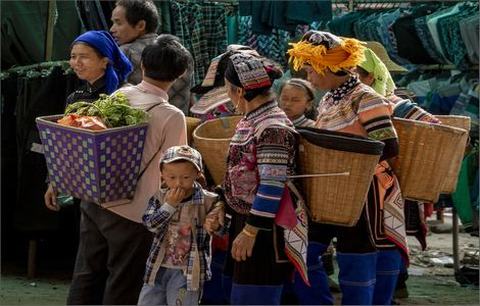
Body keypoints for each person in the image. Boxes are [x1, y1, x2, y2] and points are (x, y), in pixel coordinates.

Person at [44, 34, 190, 305]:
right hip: (135, 214)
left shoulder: (122, 94)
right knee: (123, 284)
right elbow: (176, 172)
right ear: (180, 74)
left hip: (96, 201)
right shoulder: (172, 115)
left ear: (143, 65)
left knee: (86, 275)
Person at [288, 30, 408, 305]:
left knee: (355, 264)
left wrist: (348, 159)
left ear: (327, 66)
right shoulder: (329, 99)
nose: (308, 74)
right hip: (330, 191)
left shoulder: (366, 98)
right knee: (304, 253)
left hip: (363, 195)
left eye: (310, 68)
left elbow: (388, 147)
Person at [204, 52, 307, 305]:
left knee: (255, 295)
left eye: (228, 89)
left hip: (265, 230)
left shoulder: (272, 127)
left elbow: (272, 185)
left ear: (238, 91)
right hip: (246, 221)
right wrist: (221, 203)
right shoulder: (251, 119)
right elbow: (237, 170)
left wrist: (250, 232)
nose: (228, 95)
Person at [357, 42, 441, 302]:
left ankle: (391, 290)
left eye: (354, 73)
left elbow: (434, 128)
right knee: (369, 242)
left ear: (370, 75)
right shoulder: (344, 101)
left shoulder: (395, 103)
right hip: (362, 185)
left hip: (390, 183)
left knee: (387, 238)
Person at [137, 145, 221, 305]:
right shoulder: (159, 197)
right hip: (158, 268)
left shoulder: (208, 200)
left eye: (186, 177)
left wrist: (215, 224)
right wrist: (169, 205)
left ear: (197, 174)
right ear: (162, 175)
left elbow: (222, 229)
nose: (178, 183)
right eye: (172, 177)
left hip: (186, 273)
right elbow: (150, 225)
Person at [110, 0, 194, 114]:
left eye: (118, 23)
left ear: (141, 25)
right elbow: (190, 97)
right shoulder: (182, 52)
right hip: (178, 121)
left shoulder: (124, 53)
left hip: (143, 128)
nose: (112, 29)